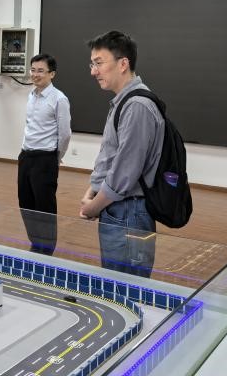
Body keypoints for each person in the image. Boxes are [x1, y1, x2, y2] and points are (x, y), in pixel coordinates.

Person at [79, 31, 163, 278]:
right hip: (118, 210)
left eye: (99, 63)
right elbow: (112, 157)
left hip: (128, 213)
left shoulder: (137, 106)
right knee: (115, 283)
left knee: (123, 288)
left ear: (123, 64)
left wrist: (92, 206)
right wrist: (92, 190)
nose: (93, 71)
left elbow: (124, 174)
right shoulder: (124, 102)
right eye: (92, 64)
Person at [18, 54, 71, 255]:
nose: (35, 74)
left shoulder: (59, 99)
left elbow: (65, 134)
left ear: (52, 74)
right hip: (26, 156)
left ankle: (46, 249)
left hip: (45, 159)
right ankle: (35, 243)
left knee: (44, 206)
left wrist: (55, 158)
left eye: (41, 70)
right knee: (26, 203)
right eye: (33, 70)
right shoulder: (31, 95)